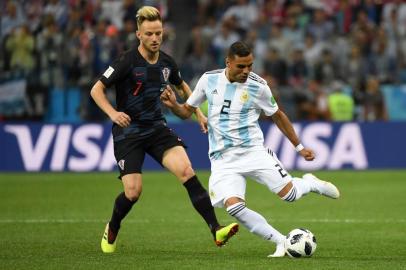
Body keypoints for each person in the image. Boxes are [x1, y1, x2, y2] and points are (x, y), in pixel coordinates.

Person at [160, 41, 340, 257]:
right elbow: (187, 111)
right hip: (223, 159)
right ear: (228, 62)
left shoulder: (258, 86)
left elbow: (278, 115)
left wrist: (299, 147)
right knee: (234, 207)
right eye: (241, 66)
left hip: (254, 152)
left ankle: (310, 183)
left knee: (290, 195)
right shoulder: (208, 80)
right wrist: (173, 106)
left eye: (250, 66)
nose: (246, 71)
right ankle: (282, 242)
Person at [90, 6, 238, 253]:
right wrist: (113, 114)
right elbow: (96, 89)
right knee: (133, 192)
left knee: (187, 171)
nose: (155, 38)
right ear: (139, 34)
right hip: (129, 133)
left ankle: (216, 230)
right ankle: (113, 227)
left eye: (158, 33)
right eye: (149, 34)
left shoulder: (167, 62)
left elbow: (183, 88)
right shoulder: (126, 61)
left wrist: (199, 113)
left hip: (157, 128)